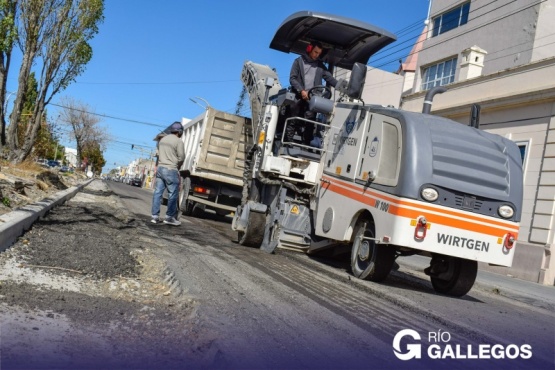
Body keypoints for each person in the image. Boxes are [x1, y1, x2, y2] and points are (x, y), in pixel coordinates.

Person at [287, 41, 338, 146]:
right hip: (298, 97)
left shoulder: (320, 66)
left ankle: (306, 145)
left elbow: (330, 78)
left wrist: (341, 87)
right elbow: (292, 78)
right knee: (293, 120)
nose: (317, 55)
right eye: (315, 52)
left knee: (310, 123)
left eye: (319, 53)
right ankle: (288, 143)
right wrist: (301, 90)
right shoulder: (298, 62)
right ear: (309, 49)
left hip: (312, 99)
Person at [151, 122, 185, 226]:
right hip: (171, 169)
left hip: (160, 169)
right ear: (179, 132)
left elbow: (157, 154)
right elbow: (182, 157)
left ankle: (154, 216)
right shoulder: (178, 141)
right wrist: (177, 166)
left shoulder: (162, 140)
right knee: (173, 194)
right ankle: (169, 217)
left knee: (157, 193)